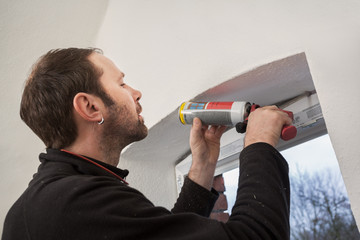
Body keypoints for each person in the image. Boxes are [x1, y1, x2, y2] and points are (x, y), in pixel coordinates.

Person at [2, 48, 293, 240]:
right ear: (90, 107)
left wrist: (202, 168)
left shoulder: (55, 198)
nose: (136, 93)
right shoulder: (74, 202)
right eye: (122, 84)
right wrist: (259, 143)